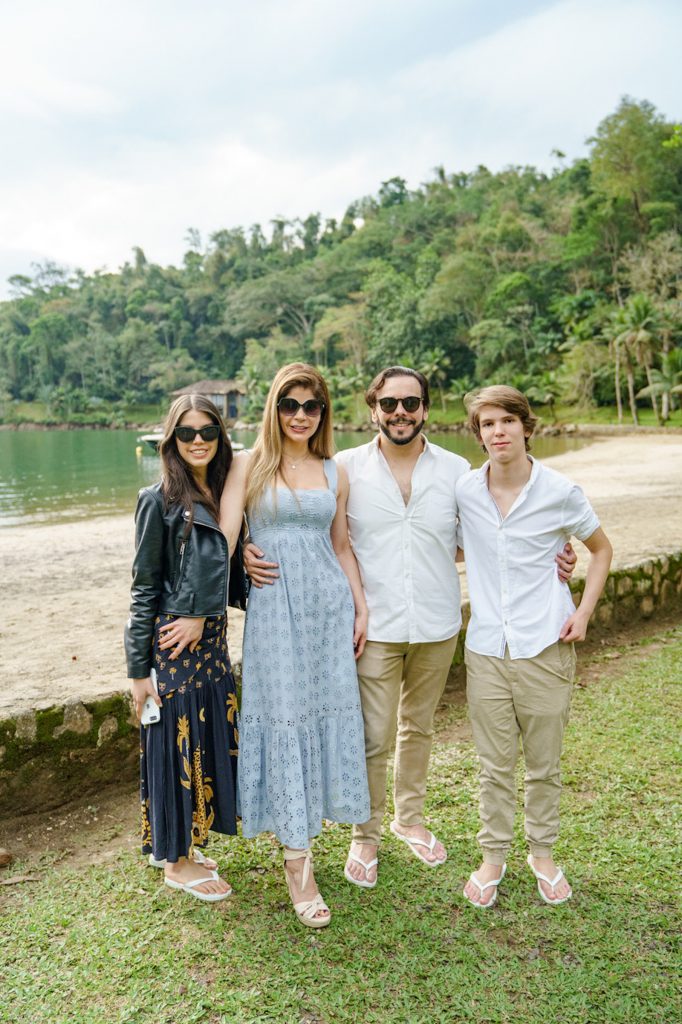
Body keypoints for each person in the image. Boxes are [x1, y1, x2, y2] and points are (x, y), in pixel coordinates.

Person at [246, 366, 577, 889]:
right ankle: (367, 834)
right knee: (373, 734)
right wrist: (248, 546)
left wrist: (555, 554)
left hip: (438, 621)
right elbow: (315, 529)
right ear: (372, 408)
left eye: (411, 402)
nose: (401, 413)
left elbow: (490, 535)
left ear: (425, 408)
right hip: (373, 622)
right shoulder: (344, 468)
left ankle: (410, 819)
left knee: (418, 727)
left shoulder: (458, 471)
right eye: (390, 403)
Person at [219, 363, 370, 928]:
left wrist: (360, 606)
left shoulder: (335, 471)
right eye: (290, 404)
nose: (301, 415)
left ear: (323, 412)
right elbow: (228, 535)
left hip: (328, 611)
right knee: (284, 719)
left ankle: (312, 841)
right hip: (275, 614)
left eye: (312, 406)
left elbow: (343, 546)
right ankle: (296, 865)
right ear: (273, 408)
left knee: (320, 719)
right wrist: (239, 560)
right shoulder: (248, 465)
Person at [457, 386, 613, 908]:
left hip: (545, 643)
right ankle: (493, 856)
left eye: (506, 421)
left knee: (544, 763)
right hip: (485, 649)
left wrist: (583, 611)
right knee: (494, 765)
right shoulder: (465, 491)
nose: (497, 431)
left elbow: (601, 548)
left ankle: (542, 853)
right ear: (477, 434)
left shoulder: (561, 490)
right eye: (487, 424)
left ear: (526, 426)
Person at [125, 395, 238, 903]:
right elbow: (144, 586)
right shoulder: (158, 498)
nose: (198, 441)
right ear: (171, 439)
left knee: (200, 746)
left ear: (221, 437)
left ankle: (184, 847)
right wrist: (136, 670)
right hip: (174, 646)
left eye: (208, 432)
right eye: (187, 433)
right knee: (173, 748)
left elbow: (222, 568)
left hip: (212, 646)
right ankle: (175, 863)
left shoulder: (221, 492)